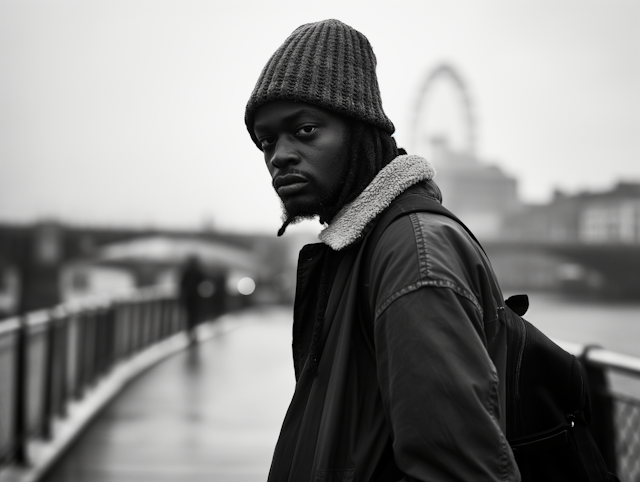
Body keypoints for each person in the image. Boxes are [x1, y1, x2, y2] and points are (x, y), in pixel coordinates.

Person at [245, 19, 521, 481]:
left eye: (306, 130)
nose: (279, 155)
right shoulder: (358, 248)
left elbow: (456, 466)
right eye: (267, 140)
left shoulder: (413, 255)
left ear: (362, 129)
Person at [178, 255, 205, 344]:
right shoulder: (198, 271)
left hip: (188, 296)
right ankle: (193, 330)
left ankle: (189, 330)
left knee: (189, 314)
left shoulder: (186, 271)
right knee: (195, 314)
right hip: (196, 297)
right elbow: (204, 280)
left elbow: (182, 284)